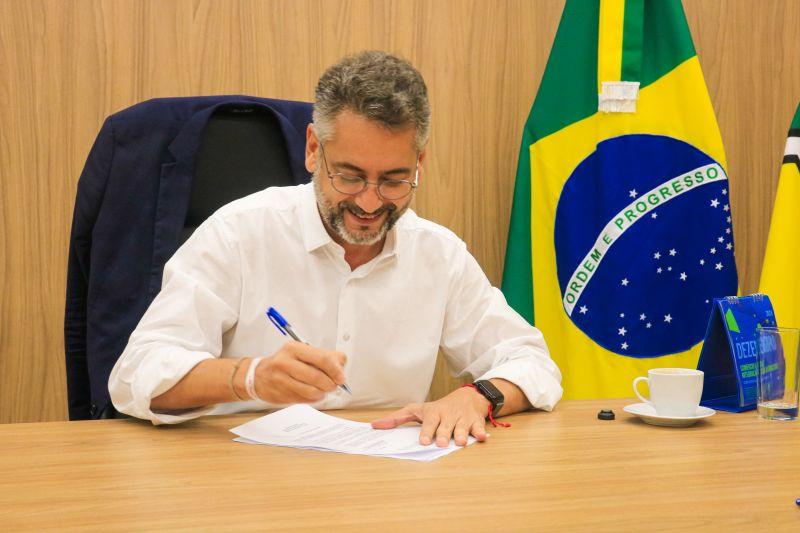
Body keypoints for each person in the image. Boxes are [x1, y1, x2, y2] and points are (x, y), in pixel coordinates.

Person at [109, 51, 562, 446]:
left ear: (419, 164)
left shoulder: (438, 254)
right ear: (313, 150)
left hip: (387, 481)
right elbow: (134, 377)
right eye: (349, 176)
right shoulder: (239, 234)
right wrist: (248, 377)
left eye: (394, 180)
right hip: (246, 479)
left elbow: (533, 362)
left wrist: (478, 396)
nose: (370, 202)